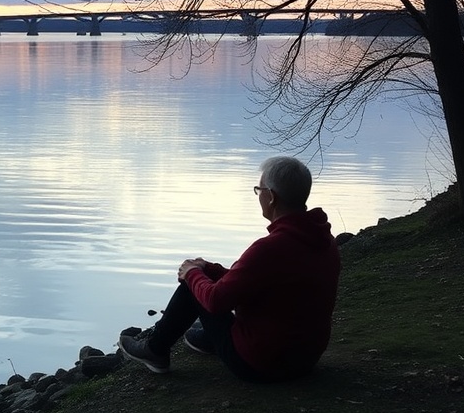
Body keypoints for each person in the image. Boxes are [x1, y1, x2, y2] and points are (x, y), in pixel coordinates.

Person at [118, 156, 341, 382]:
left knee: (193, 286)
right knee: (202, 279)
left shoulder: (270, 249)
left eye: (259, 189)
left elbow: (216, 300)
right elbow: (258, 282)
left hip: (263, 364)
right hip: (304, 360)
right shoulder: (324, 242)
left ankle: (155, 350)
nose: (259, 195)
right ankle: (210, 340)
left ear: (271, 197)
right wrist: (209, 269)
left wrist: (192, 273)